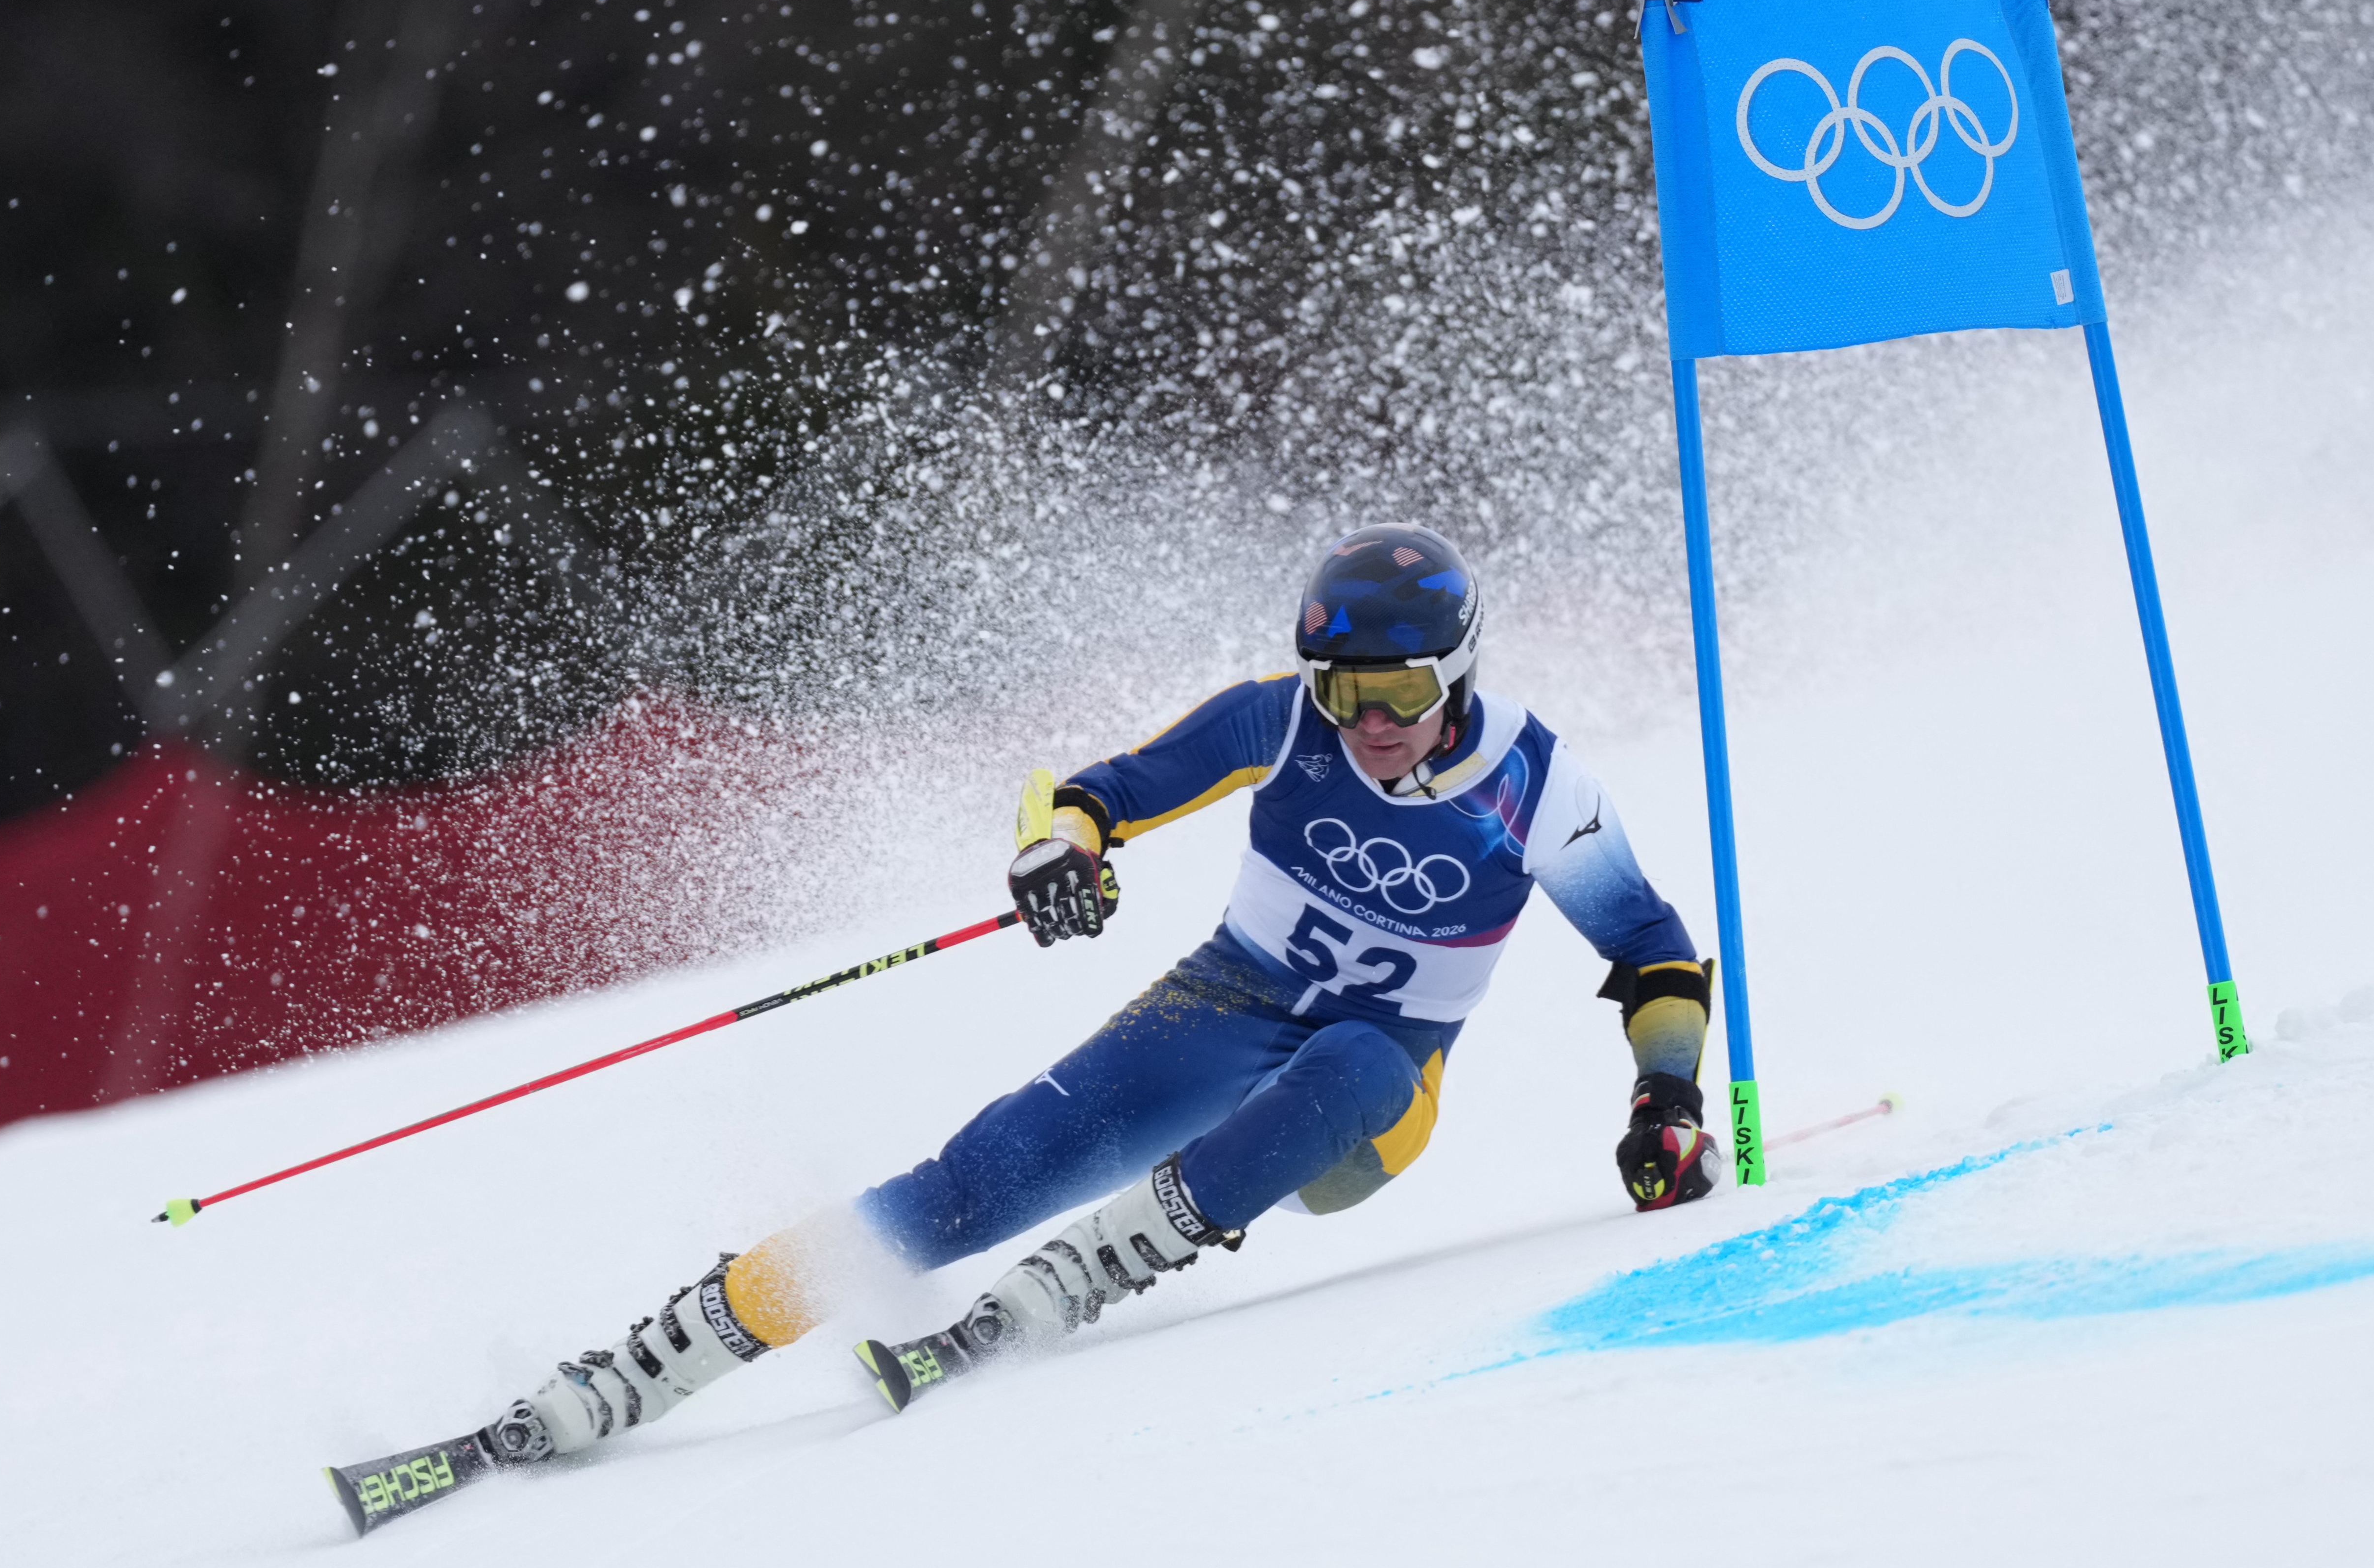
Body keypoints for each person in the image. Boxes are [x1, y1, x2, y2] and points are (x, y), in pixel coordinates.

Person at [478, 523, 1722, 1461]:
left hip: (1373, 1099)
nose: (1369, 720)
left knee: (1356, 1060)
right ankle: (659, 1358)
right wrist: (1061, 851)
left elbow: (1653, 950)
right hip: (1224, 1006)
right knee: (976, 1179)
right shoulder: (1284, 724)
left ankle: (1092, 1269)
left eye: (1398, 690)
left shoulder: (1537, 787)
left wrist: (1664, 1101)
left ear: (1457, 673)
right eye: (1344, 689)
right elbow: (1098, 793)